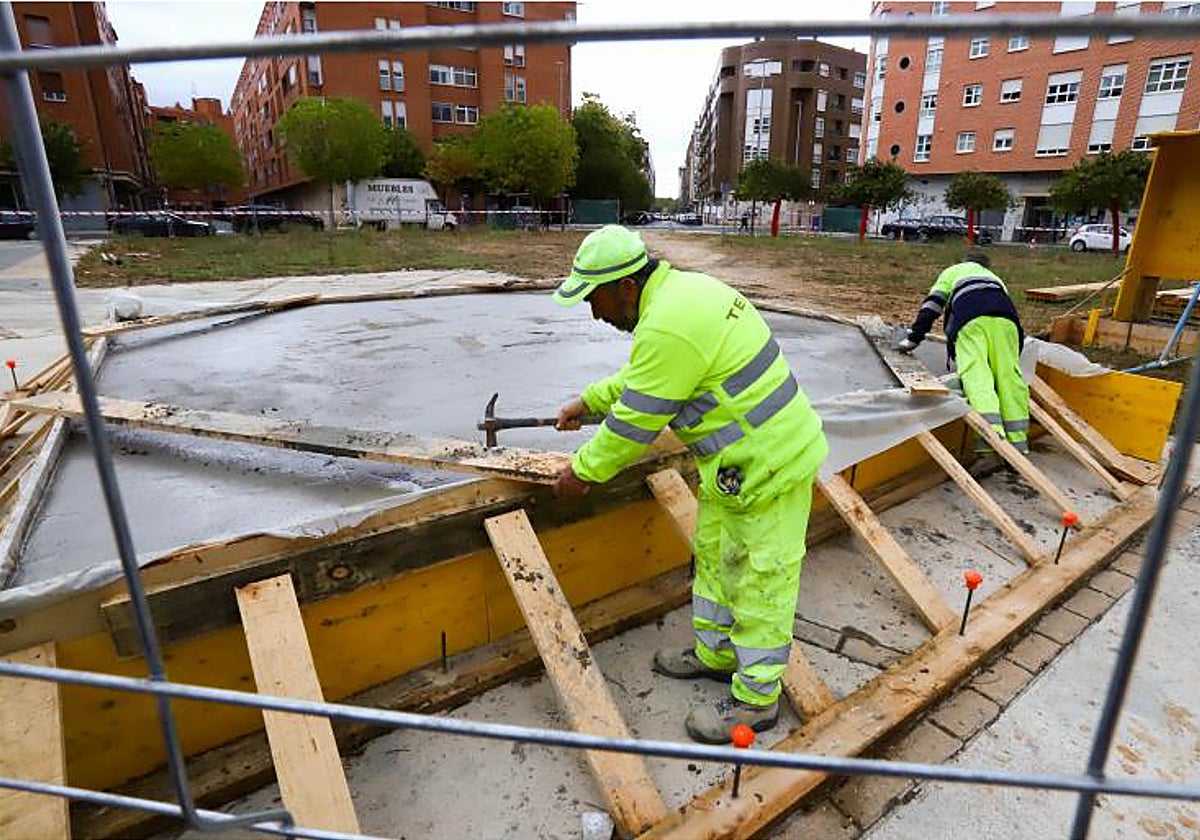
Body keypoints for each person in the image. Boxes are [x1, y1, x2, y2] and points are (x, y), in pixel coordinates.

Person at [551, 224, 828, 744]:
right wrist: (589, 402)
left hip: (772, 466)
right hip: (736, 469)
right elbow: (647, 380)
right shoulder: (681, 296)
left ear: (626, 287)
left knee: (761, 581)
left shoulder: (668, 325)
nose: (594, 313)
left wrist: (582, 471)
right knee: (717, 560)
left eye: (595, 299)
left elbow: (637, 421)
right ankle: (717, 656)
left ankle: (757, 699)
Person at [896, 248, 1029, 452]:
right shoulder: (994, 278)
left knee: (978, 377)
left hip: (972, 322)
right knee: (1009, 378)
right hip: (1008, 324)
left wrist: (913, 338)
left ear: (964, 261)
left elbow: (932, 306)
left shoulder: (953, 271)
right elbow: (1004, 309)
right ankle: (1019, 444)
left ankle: (990, 441)